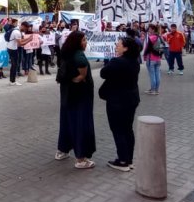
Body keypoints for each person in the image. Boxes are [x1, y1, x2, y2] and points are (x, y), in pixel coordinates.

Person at [55, 31, 96, 169]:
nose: (86, 42)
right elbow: (82, 77)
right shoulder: (80, 56)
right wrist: (75, 80)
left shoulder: (66, 52)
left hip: (67, 94)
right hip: (80, 95)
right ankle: (81, 159)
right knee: (81, 123)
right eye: (84, 40)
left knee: (66, 121)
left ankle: (62, 150)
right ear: (77, 41)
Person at [99, 37, 141, 171]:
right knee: (127, 129)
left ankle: (122, 160)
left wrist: (112, 62)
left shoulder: (117, 62)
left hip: (117, 101)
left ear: (126, 48)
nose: (116, 47)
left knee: (118, 129)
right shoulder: (135, 61)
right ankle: (129, 159)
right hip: (131, 99)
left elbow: (103, 73)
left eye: (118, 45)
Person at [6, 19, 32, 86]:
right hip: (12, 49)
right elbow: (20, 44)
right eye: (26, 28)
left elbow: (20, 40)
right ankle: (12, 81)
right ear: (23, 26)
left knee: (14, 65)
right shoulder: (17, 32)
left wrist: (28, 38)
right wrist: (29, 40)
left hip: (12, 48)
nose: (26, 30)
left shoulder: (17, 30)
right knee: (14, 65)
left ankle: (12, 81)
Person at [143, 24, 162, 95]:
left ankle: (153, 90)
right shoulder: (159, 37)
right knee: (157, 74)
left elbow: (147, 48)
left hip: (151, 58)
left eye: (150, 29)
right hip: (158, 58)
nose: (149, 30)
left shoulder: (151, 37)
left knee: (152, 75)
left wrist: (144, 56)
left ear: (153, 29)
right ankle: (156, 89)